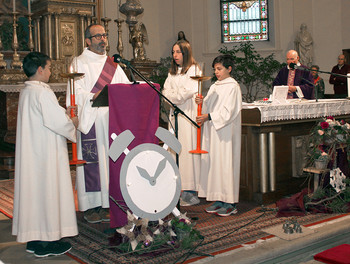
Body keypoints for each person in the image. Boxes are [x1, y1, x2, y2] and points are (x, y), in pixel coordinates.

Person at [12, 52, 79, 257]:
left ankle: (34, 239)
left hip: (34, 152)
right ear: (40, 70)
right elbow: (57, 121)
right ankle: (48, 241)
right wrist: (72, 122)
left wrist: (64, 116)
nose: (51, 72)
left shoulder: (27, 91)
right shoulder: (42, 92)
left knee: (35, 194)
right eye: (49, 68)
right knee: (48, 192)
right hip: (46, 153)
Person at [66, 24, 130, 225]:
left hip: (111, 121)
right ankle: (93, 205)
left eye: (104, 35)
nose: (103, 39)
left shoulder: (113, 64)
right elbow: (76, 93)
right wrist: (94, 96)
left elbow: (126, 89)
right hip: (91, 119)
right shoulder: (78, 63)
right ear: (88, 40)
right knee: (93, 162)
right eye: (98, 36)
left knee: (110, 163)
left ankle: (110, 203)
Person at [195, 54, 242, 217]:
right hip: (214, 131)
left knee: (225, 165)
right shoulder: (215, 86)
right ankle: (218, 198)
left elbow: (229, 112)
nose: (216, 72)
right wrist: (201, 102)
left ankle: (230, 202)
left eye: (219, 69)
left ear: (229, 69)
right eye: (215, 69)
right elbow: (208, 104)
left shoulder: (233, 86)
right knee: (215, 165)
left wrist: (209, 116)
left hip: (226, 133)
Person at [162, 40, 201, 206]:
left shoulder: (194, 69)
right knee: (174, 150)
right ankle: (176, 187)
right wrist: (174, 95)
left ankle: (189, 190)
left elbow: (188, 91)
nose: (175, 55)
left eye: (178, 52)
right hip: (174, 116)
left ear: (185, 53)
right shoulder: (172, 72)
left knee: (186, 151)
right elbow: (165, 92)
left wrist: (174, 95)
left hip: (187, 116)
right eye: (173, 52)